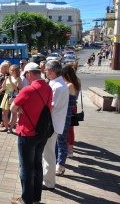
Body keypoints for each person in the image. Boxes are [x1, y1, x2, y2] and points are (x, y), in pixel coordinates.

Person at [10, 63, 52, 204]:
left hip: (27, 132)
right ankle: (36, 199)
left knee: (26, 168)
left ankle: (25, 200)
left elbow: (12, 108)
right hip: (42, 133)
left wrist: (21, 108)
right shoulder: (48, 87)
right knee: (37, 165)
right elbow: (48, 108)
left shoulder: (27, 90)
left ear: (29, 74)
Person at [42, 60, 69, 190]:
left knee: (48, 154)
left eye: (46, 70)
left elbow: (50, 106)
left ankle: (48, 182)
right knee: (47, 153)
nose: (45, 72)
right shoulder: (58, 84)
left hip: (51, 124)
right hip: (53, 124)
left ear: (52, 71)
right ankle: (46, 179)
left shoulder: (57, 86)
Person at [57, 64, 81, 175]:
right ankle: (59, 162)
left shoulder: (69, 85)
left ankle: (61, 165)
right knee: (59, 140)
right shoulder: (67, 84)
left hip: (66, 115)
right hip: (62, 115)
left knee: (62, 140)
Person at [65, 64, 81, 158]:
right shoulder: (77, 80)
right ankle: (70, 148)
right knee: (70, 129)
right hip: (74, 105)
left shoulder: (70, 83)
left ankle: (70, 149)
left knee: (69, 129)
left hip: (70, 106)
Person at [0, 64, 21, 133]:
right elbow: (3, 87)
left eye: (12, 70)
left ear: (16, 71)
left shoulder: (18, 78)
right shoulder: (9, 77)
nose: (11, 71)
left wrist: (10, 81)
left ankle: (10, 128)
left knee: (13, 113)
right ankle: (6, 127)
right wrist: (5, 80)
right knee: (4, 113)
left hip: (13, 96)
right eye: (10, 70)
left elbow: (16, 88)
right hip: (6, 95)